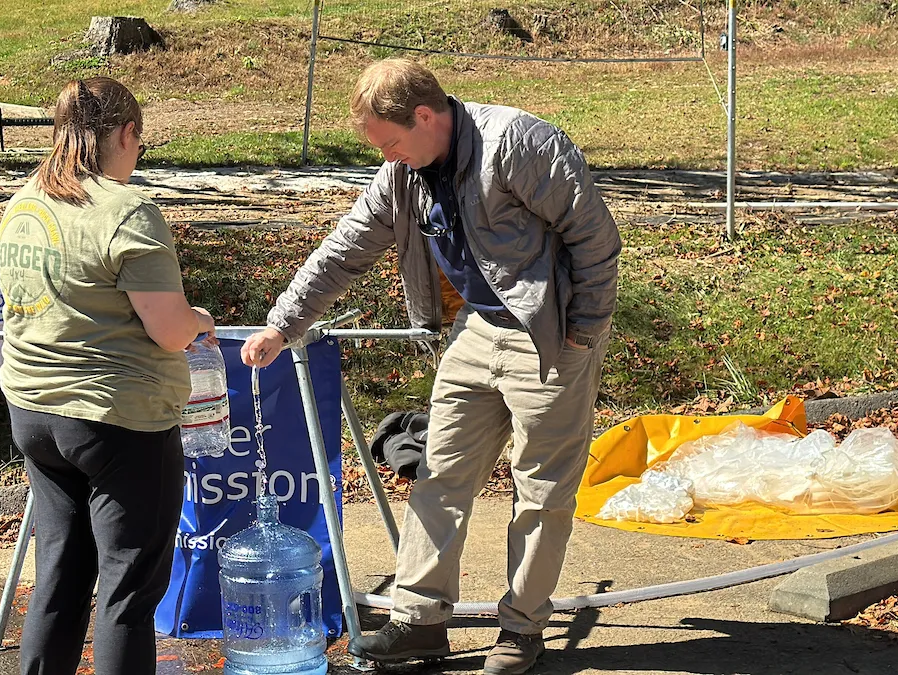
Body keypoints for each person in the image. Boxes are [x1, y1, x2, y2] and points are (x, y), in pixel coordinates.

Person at [241, 59, 621, 674]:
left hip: (549, 336)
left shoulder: (519, 143)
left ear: (425, 116)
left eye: (391, 143)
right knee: (439, 475)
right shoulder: (401, 171)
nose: (387, 158)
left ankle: (521, 632)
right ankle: (418, 621)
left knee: (542, 493)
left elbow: (595, 238)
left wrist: (582, 333)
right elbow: (347, 247)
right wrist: (285, 324)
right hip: (474, 333)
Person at [0, 77, 215, 675]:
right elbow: (169, 329)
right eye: (138, 143)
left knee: (60, 575)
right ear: (127, 134)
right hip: (117, 418)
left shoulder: (26, 201)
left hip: (34, 411)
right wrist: (200, 319)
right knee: (128, 589)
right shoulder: (127, 210)